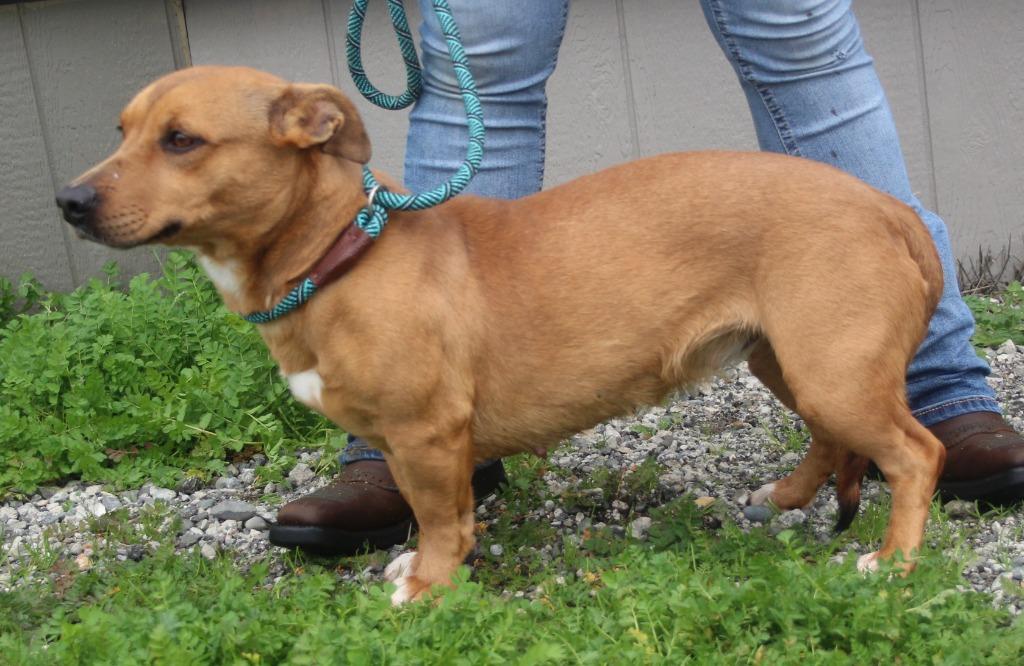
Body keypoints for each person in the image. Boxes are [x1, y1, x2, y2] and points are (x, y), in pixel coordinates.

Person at [269, 0, 1024, 555]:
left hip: (825, 247)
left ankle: (929, 400)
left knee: (797, 32)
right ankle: (407, 433)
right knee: (483, 51)